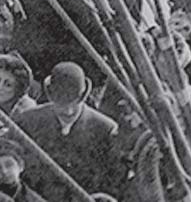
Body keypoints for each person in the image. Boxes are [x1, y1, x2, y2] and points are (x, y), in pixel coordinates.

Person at [11, 63, 119, 201]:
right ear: (50, 97)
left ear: (84, 97)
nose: (68, 111)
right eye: (61, 104)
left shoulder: (106, 130)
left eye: (74, 103)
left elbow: (113, 184)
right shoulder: (28, 121)